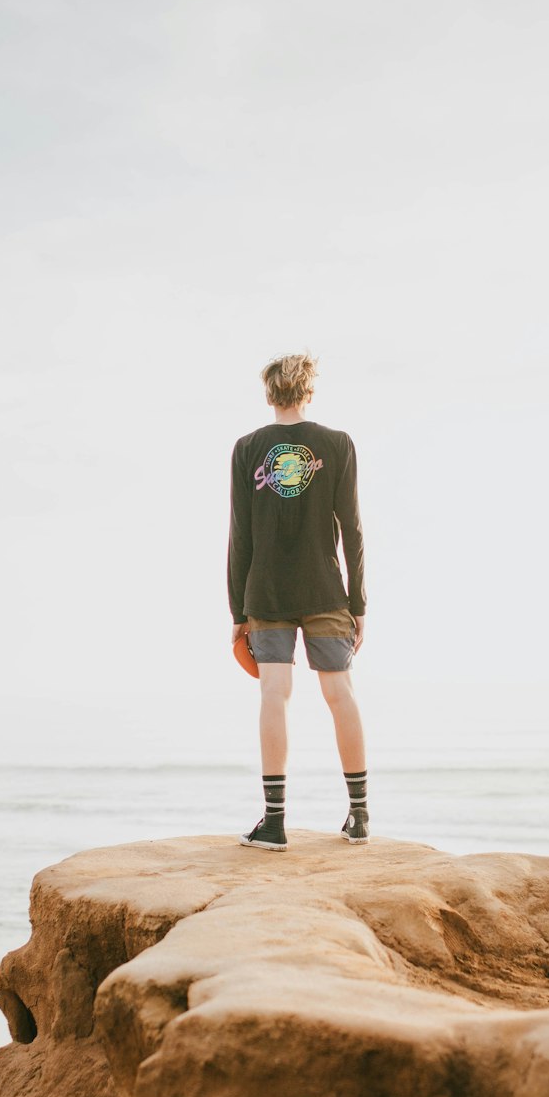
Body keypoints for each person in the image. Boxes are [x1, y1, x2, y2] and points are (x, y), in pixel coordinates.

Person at [227, 353, 368, 851]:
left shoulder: (248, 448)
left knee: (273, 696)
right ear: (309, 392)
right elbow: (351, 528)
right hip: (326, 590)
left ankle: (274, 823)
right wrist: (358, 603)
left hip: (266, 592)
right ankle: (360, 816)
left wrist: (237, 613)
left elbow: (239, 535)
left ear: (270, 395)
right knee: (341, 695)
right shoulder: (337, 444)